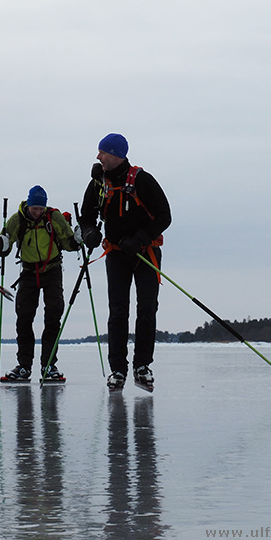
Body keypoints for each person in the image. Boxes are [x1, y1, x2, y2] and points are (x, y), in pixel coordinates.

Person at [78, 133, 171, 392]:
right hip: (116, 254)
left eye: (102, 153)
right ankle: (117, 369)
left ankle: (142, 366)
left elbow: (164, 216)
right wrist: (89, 234)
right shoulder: (98, 183)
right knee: (118, 312)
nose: (98, 157)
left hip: (145, 254)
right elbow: (86, 217)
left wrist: (141, 238)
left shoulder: (143, 180)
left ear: (116, 154)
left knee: (147, 309)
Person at [0, 185, 81, 382]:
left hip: (52, 270)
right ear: (28, 205)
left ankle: (49, 365)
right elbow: (5, 245)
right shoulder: (17, 220)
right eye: (35, 208)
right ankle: (24, 366)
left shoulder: (54, 217)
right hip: (28, 272)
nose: (38, 212)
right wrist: (2, 245)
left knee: (53, 315)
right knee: (24, 317)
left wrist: (77, 241)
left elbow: (68, 243)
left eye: (41, 209)